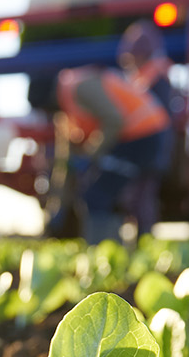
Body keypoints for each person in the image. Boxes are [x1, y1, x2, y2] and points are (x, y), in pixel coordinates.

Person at [54, 20, 175, 242]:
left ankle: (119, 246)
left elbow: (118, 121)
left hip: (144, 141)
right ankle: (132, 246)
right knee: (133, 198)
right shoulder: (143, 78)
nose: (129, 62)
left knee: (126, 197)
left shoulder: (156, 78)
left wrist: (93, 155)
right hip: (145, 141)